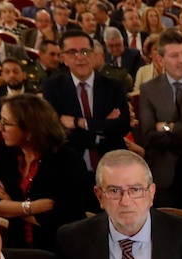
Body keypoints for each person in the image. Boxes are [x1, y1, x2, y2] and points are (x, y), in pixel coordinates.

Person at [0, 94, 88, 250]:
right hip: (17, 245)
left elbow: (65, 217)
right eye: (0, 120)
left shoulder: (66, 159)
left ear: (30, 129)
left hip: (60, 248)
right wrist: (31, 207)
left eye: (6, 123)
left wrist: (11, 204)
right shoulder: (5, 151)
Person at [44, 30, 130, 173]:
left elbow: (122, 126)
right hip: (70, 169)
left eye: (85, 51)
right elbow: (56, 134)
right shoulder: (53, 88)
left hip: (113, 167)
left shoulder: (114, 86)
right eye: (72, 52)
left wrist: (80, 123)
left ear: (93, 54)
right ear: (63, 58)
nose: (80, 57)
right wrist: (101, 130)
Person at [136, 30, 182, 208]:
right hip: (163, 176)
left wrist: (166, 127)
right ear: (160, 59)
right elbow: (148, 136)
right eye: (174, 55)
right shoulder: (149, 89)